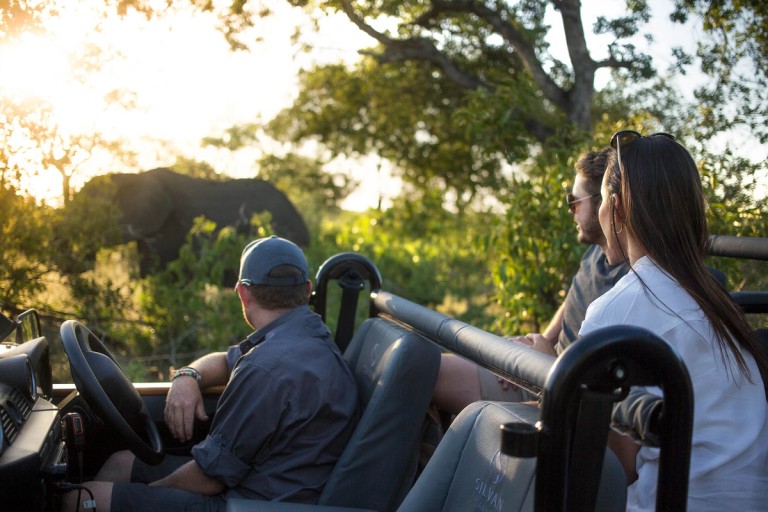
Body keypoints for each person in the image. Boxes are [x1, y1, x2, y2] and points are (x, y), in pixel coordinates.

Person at [63, 236, 360, 512]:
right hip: (263, 481)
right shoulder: (303, 337)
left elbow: (210, 478)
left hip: (251, 502)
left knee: (81, 499)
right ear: (307, 290)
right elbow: (225, 360)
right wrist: (187, 376)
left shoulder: (265, 368)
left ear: (242, 293)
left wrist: (152, 492)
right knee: (120, 462)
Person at [580, 131, 768, 511]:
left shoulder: (611, 312)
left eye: (600, 200)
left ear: (616, 209)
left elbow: (610, 462)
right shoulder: (717, 302)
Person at [432, 147, 629, 413]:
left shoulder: (631, 283)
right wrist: (538, 343)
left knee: (470, 413)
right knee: (426, 366)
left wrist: (544, 366)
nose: (570, 210)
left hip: (563, 388)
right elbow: (573, 300)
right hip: (539, 366)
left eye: (575, 201)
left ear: (604, 201)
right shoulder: (594, 254)